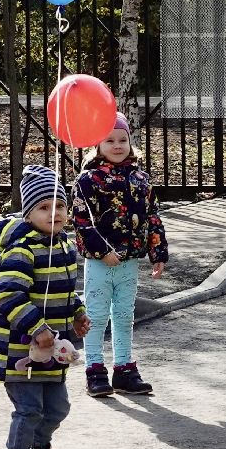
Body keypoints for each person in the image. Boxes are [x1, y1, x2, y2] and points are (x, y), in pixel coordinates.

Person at [0, 165, 92, 449]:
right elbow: (8, 295)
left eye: (59, 206)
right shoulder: (21, 249)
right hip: (21, 349)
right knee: (30, 409)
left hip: (53, 350)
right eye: (44, 207)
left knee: (58, 407)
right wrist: (35, 326)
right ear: (28, 213)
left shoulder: (64, 247)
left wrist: (77, 313)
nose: (54, 213)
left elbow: (66, 289)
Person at [72, 113, 168, 398]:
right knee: (97, 315)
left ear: (130, 141)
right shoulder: (88, 180)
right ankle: (95, 369)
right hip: (100, 263)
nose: (117, 145)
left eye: (122, 139)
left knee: (125, 315)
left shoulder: (140, 179)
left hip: (129, 262)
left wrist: (157, 251)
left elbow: (152, 217)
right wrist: (101, 251)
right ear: (97, 145)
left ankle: (124, 369)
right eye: (110, 140)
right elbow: (81, 221)